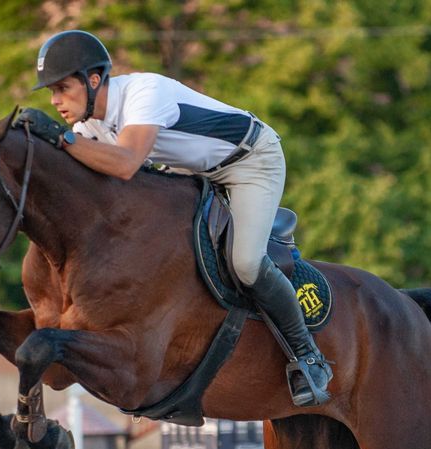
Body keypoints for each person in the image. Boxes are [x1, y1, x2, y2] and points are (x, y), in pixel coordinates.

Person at [17, 30, 333, 406]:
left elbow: (126, 163)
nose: (55, 101)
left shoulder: (143, 94)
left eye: (62, 88)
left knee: (246, 263)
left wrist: (59, 139)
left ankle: (308, 356)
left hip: (249, 162)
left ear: (94, 79)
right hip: (193, 173)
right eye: (51, 92)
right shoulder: (88, 128)